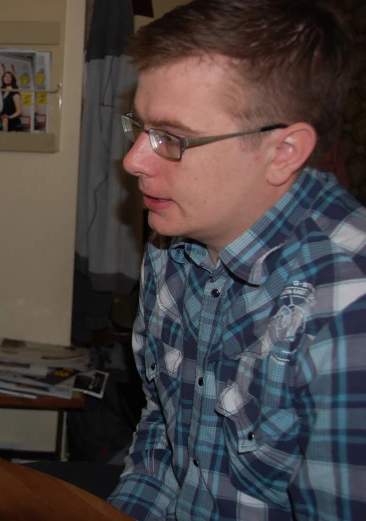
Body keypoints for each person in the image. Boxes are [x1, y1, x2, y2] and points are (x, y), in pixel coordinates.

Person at [106, 0, 364, 519]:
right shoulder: (171, 243)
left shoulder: (346, 306)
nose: (134, 160)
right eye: (140, 126)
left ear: (284, 152)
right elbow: (164, 434)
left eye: (173, 138)